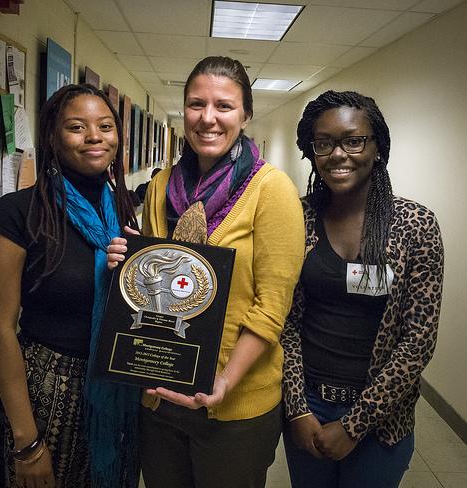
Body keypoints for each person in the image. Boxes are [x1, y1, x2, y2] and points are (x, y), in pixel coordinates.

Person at [108, 56, 305, 488]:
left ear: (246, 115)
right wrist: (128, 263)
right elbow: (156, 284)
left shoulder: (271, 190)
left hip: (233, 403)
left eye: (224, 106)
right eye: (196, 104)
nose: (208, 118)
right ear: (183, 111)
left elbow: (272, 306)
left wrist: (224, 381)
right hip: (160, 394)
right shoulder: (162, 185)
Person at [0, 84, 141, 488]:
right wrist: (26, 442)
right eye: (76, 127)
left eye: (105, 126)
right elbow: (1, 330)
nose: (94, 137)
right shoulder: (18, 212)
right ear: (53, 136)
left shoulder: (120, 207)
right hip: (49, 395)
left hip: (115, 386)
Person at [281, 90, 444, 488]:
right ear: (311, 151)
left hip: (382, 415)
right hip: (309, 404)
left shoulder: (416, 224)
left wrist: (355, 424)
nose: (339, 154)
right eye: (324, 143)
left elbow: (418, 339)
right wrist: (297, 408)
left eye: (354, 140)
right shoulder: (295, 217)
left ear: (378, 148)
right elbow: (282, 320)